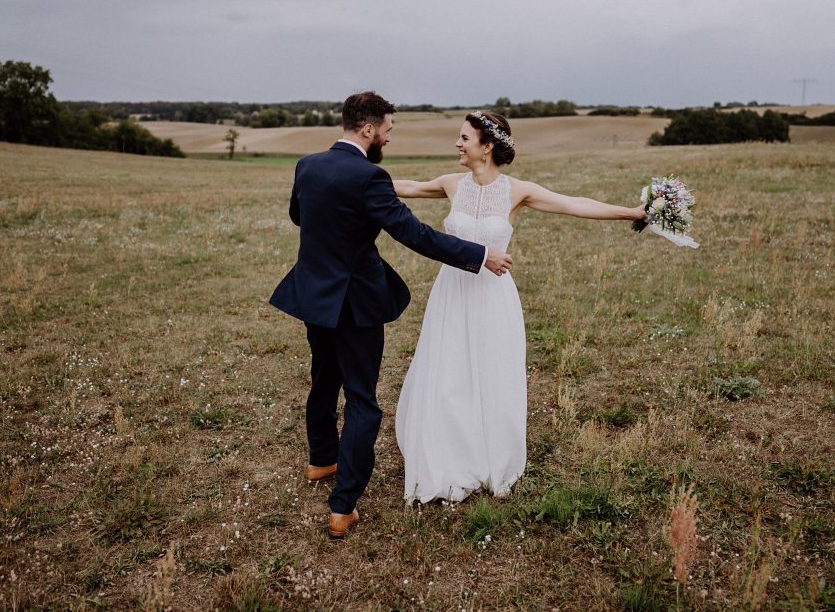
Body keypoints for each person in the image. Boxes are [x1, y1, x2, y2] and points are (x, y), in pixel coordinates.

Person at [269, 93, 514, 539]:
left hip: (312, 295)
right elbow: (415, 235)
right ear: (369, 130)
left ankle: (321, 459)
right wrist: (479, 255)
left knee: (323, 379)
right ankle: (343, 506)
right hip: (355, 303)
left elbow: (299, 216)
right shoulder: (370, 176)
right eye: (387, 129)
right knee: (362, 400)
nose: (388, 136)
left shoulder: (308, 164)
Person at [391, 111, 646, 503]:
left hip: (493, 296)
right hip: (452, 292)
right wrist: (353, 173)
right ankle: (447, 453)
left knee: (491, 372)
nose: (457, 145)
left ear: (487, 146)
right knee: (448, 371)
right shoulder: (449, 184)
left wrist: (631, 212)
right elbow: (405, 186)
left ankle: (489, 452)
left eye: (464, 138)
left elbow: (574, 204)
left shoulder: (517, 191)